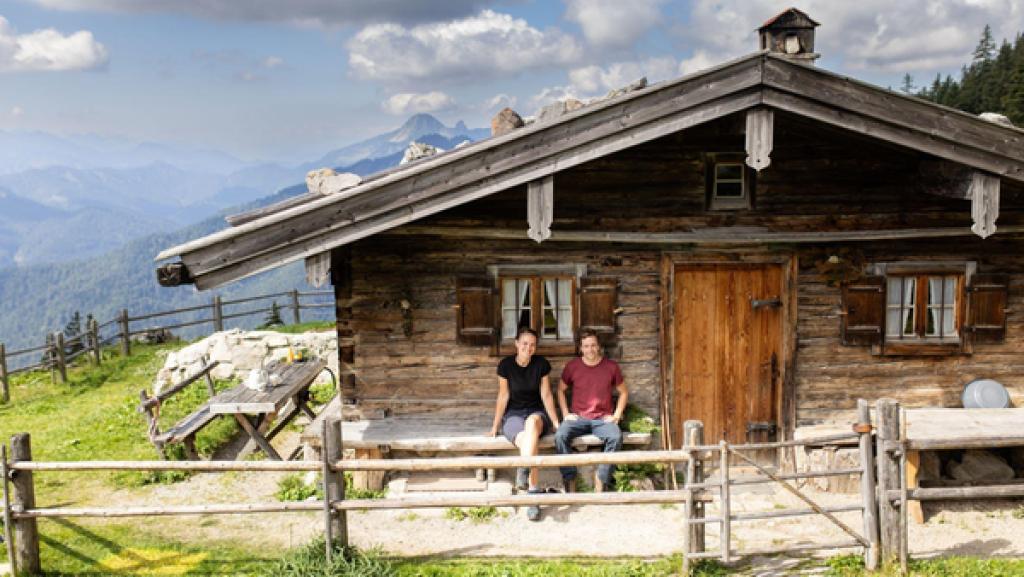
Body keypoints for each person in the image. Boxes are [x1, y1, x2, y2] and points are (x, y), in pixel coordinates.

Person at [489, 326, 561, 521]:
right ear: (516, 344)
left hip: (536, 413)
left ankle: (526, 473)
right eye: (524, 343)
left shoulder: (541, 364)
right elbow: (503, 396)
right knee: (529, 443)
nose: (528, 348)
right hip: (513, 415)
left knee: (531, 425)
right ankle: (533, 493)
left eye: (532, 345)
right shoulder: (505, 366)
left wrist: (555, 420)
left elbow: (546, 395)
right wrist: (495, 425)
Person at [555, 329, 628, 493]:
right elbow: (560, 390)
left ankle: (602, 479)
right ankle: (570, 478)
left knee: (616, 437)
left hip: (602, 419)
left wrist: (616, 415)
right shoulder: (573, 366)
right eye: (586, 346)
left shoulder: (611, 367)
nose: (590, 349)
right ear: (581, 348)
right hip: (578, 418)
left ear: (599, 346)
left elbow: (624, 392)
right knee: (560, 436)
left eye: (593, 345)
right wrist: (566, 414)